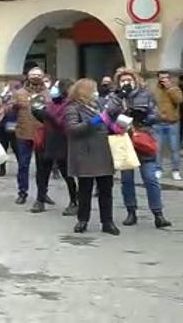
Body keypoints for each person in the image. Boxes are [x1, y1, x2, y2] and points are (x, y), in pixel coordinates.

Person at [106, 69, 172, 229]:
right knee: (127, 179)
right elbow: (108, 113)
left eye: (129, 79)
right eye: (123, 80)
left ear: (135, 80)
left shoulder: (146, 94)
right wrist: (120, 97)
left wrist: (144, 117)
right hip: (124, 140)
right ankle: (131, 211)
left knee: (150, 178)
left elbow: (156, 115)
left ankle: (158, 213)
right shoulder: (115, 96)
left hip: (143, 137)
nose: (126, 83)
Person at [64, 78, 119, 235]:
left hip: (103, 151)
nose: (96, 92)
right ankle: (83, 220)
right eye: (93, 89)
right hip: (85, 153)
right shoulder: (73, 108)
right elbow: (73, 129)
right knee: (85, 190)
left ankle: (107, 222)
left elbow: (109, 121)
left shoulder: (100, 105)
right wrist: (94, 121)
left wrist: (117, 126)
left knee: (106, 189)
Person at [31, 79, 78, 215]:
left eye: (57, 87)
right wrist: (38, 113)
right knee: (42, 172)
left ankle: (74, 201)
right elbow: (46, 120)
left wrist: (48, 116)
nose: (53, 89)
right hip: (48, 140)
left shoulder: (70, 105)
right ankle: (40, 199)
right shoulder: (51, 104)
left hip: (63, 142)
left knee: (66, 173)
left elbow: (62, 123)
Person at [9, 66, 48, 205]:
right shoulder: (19, 93)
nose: (35, 77)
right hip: (23, 133)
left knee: (42, 166)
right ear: (28, 77)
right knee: (23, 165)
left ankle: (43, 193)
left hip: (42, 133)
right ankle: (22, 192)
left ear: (43, 77)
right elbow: (10, 108)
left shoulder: (48, 93)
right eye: (33, 74)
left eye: (38, 74)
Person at [152, 70, 182, 181]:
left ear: (169, 78)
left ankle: (175, 170)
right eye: (161, 78)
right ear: (158, 78)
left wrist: (170, 88)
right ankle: (158, 169)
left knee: (174, 148)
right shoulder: (154, 90)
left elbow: (179, 100)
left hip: (173, 123)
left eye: (166, 78)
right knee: (157, 148)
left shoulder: (175, 89)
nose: (163, 80)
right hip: (158, 123)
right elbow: (151, 103)